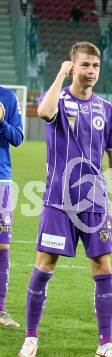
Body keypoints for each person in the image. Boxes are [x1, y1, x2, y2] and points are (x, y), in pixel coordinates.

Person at [18, 41, 112, 357]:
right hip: (59, 200)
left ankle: (105, 344)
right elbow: (43, 112)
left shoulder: (106, 109)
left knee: (102, 265)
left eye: (95, 66)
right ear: (73, 66)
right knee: (45, 264)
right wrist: (60, 74)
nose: (91, 71)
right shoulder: (59, 99)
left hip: (95, 202)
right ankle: (30, 336)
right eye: (85, 65)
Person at [0, 87, 24, 327]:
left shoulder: (8, 97)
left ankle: (0, 310)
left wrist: (1, 123)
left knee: (2, 244)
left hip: (1, 180)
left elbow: (17, 138)